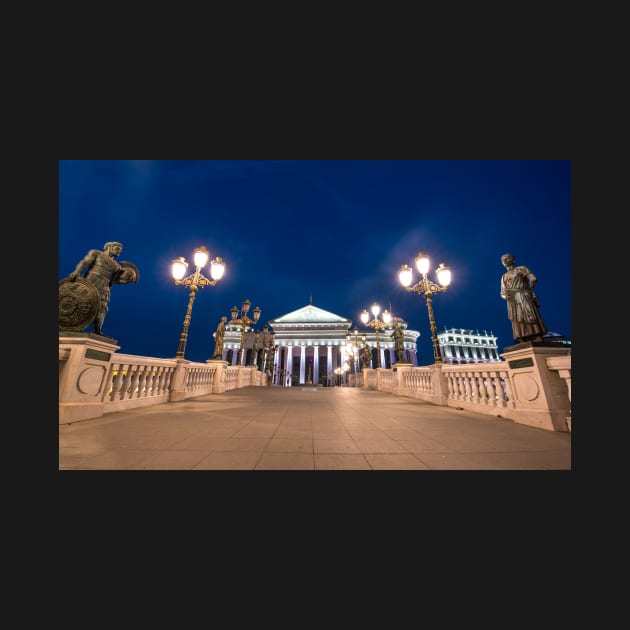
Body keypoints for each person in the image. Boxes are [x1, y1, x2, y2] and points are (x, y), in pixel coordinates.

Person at [67, 241, 136, 336]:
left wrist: (129, 278)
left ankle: (97, 330)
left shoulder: (117, 266)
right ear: (110, 247)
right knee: (81, 302)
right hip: (91, 280)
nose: (119, 252)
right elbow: (85, 262)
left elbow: (116, 280)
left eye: (120, 251)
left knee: (103, 308)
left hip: (105, 286)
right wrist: (76, 272)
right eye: (117, 249)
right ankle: (71, 324)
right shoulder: (96, 253)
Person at [500, 253, 548, 343]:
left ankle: (536, 334)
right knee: (517, 318)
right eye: (503, 259)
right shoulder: (503, 276)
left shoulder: (521, 269)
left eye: (507, 258)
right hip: (512, 300)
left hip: (523, 295)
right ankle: (522, 336)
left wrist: (528, 290)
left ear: (513, 260)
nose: (505, 260)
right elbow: (502, 293)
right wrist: (506, 296)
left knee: (528, 315)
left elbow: (533, 279)